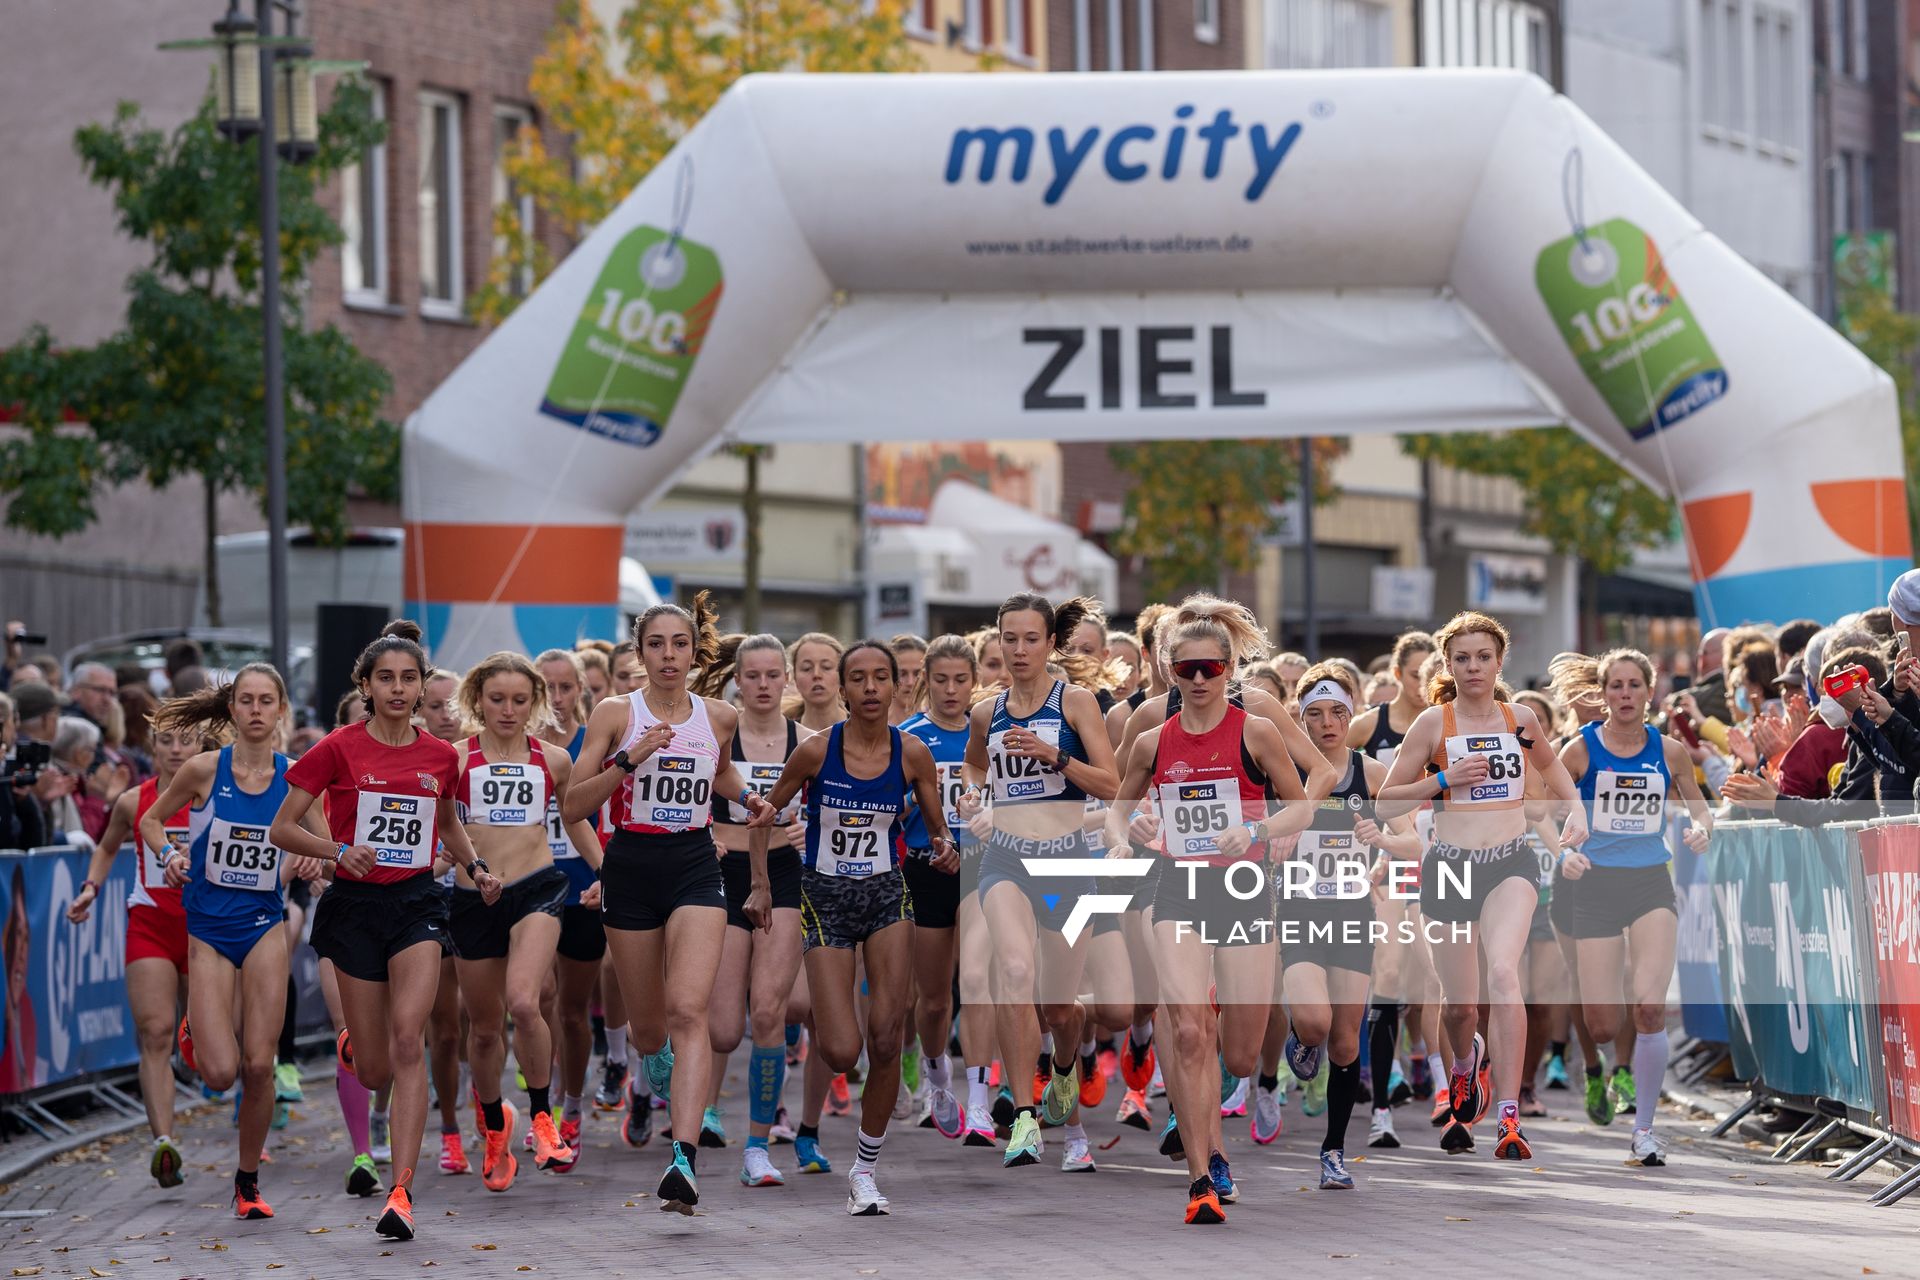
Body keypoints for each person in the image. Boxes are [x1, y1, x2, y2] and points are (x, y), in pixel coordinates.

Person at [269, 622, 505, 1243]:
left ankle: (400, 1192)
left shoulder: (441, 756)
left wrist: (477, 867)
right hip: (353, 907)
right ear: (366, 687)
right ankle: (355, 1041)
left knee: (409, 1039)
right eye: (385, 679)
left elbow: (447, 823)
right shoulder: (337, 748)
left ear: (422, 686)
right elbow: (282, 829)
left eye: (408, 678)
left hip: (416, 904)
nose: (398, 689)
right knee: (374, 1069)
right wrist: (336, 850)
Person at [562, 593, 771, 1214]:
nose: (669, 655)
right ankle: (652, 1060)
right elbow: (574, 805)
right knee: (650, 1027)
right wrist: (629, 759)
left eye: (680, 644)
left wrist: (748, 799)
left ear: (695, 652)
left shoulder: (718, 716)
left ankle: (683, 1159)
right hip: (629, 865)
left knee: (688, 1010)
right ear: (640, 652)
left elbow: (720, 773)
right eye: (656, 644)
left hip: (694, 865)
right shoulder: (614, 713)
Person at [1109, 609, 1313, 1223]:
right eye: (1187, 668)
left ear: (1229, 669)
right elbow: (1119, 808)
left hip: (1244, 889)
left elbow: (1300, 807)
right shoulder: (1152, 741)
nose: (1198, 679)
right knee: (1191, 1031)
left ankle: (1223, 1105)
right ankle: (1203, 1173)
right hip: (1178, 888)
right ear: (1170, 670)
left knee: (1241, 1055)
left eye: (1211, 668)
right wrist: (1129, 832)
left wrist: (1257, 829)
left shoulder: (1257, 732)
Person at [751, 640, 957, 1215]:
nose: (870, 688)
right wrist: (761, 885)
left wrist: (945, 849)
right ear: (843, 689)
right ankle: (839, 1074)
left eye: (880, 678)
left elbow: (937, 829)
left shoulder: (912, 753)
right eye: (859, 678)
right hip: (826, 899)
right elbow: (764, 818)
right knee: (843, 1051)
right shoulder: (816, 751)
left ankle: (865, 1170)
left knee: (887, 1036)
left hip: (888, 895)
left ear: (895, 686)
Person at [1378, 611, 1587, 1163]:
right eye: (1463, 658)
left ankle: (1510, 1117)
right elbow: (1386, 803)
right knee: (1459, 1009)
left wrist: (1577, 810)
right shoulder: (1433, 724)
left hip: (1510, 863)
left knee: (1502, 974)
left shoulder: (1519, 718)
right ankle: (1465, 1065)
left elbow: (1553, 768)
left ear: (1499, 662)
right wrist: (1444, 779)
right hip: (1450, 869)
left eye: (1484, 657)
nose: (1473, 667)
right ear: (1448, 665)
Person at [140, 665, 325, 1220]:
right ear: (232, 709)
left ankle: (247, 1182)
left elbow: (327, 843)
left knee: (259, 1066)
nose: (256, 710)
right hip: (208, 930)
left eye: (266, 701)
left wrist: (315, 860)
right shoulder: (203, 769)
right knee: (219, 1074)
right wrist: (169, 856)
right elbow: (151, 821)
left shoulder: (297, 777)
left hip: (264, 924)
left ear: (281, 710)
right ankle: (195, 1027)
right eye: (246, 700)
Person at [958, 594, 1120, 1176]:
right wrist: (972, 795)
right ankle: (1024, 1114)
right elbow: (975, 766)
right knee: (1014, 972)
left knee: (1058, 1008)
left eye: (1031, 639)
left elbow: (1113, 784)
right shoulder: (987, 712)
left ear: (1051, 643)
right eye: (1010, 638)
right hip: (1005, 860)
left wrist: (1055, 757)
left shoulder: (1074, 702)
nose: (1019, 650)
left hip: (1067, 864)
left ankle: (1065, 1066)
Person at [451, 652, 601, 1190]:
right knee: (484, 1029)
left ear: (534, 702)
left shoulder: (553, 759)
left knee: (524, 1000)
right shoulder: (456, 759)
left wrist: (605, 871)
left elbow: (575, 818)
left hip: (538, 888)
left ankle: (543, 1118)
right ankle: (496, 1126)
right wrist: (460, 862)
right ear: (478, 700)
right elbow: (441, 825)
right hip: (474, 897)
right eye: (497, 699)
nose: (508, 710)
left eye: (519, 700)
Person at [1559, 648, 1712, 1167]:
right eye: (1615, 686)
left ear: (1650, 692)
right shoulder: (1579, 752)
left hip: (1650, 882)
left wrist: (1701, 830)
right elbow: (1544, 811)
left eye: (1634, 685)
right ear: (1603, 694)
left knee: (1649, 1009)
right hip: (1596, 884)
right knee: (1603, 1025)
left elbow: (1700, 809)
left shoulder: (1670, 752)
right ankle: (1602, 1065)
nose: (1625, 695)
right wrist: (1564, 852)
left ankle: (1644, 1130)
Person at [1280, 664, 1423, 1189]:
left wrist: (1383, 841)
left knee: (1344, 1044)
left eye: (1338, 712)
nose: (1328, 723)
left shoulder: (1373, 774)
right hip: (1297, 911)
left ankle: (1333, 1151)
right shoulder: (1286, 771)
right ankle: (1300, 1038)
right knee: (1315, 1023)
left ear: (1352, 713)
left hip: (1351, 915)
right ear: (1300, 719)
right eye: (1315, 714)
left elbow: (1413, 843)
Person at [67, 714, 213, 1188]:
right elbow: (106, 847)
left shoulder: (217, 797)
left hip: (205, 928)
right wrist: (90, 888)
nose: (175, 749)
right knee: (155, 1032)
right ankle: (163, 1142)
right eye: (166, 740)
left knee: (209, 1040)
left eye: (185, 740)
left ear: (201, 746)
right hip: (150, 925)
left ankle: (218, 1071)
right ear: (153, 747)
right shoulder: (134, 801)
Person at [696, 634, 813, 1185]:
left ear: (786, 677)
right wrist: (702, 835)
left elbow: (832, 812)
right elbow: (684, 799)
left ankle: (758, 1148)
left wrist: (808, 827)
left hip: (784, 873)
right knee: (722, 1029)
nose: (763, 685)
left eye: (772, 674)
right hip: (722, 870)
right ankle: (692, 1093)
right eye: (753, 676)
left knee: (769, 1013)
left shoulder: (808, 743)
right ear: (736, 681)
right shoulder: (715, 736)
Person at [898, 634, 987, 1143]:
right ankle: (937, 1078)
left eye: (960, 680)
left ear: (974, 682)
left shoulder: (988, 733)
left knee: (977, 984)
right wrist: (914, 800)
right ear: (925, 682)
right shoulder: (908, 738)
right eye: (941, 680)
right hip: (927, 867)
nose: (951, 690)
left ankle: (979, 1100)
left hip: (980, 864)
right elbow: (884, 810)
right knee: (933, 999)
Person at [888, 633, 928, 726]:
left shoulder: (940, 723)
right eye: (902, 674)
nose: (910, 682)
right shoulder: (874, 725)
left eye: (917, 674)